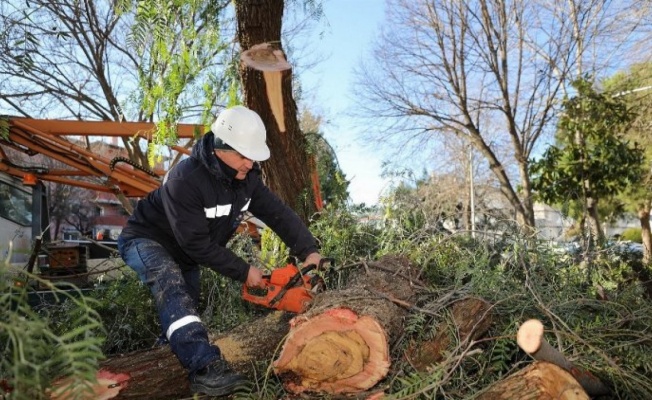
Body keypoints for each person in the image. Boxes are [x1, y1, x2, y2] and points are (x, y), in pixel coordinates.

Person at [117, 105, 322, 397]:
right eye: (243, 156)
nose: (250, 163)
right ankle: (204, 369)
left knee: (186, 308)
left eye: (253, 156)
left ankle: (163, 362)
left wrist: (309, 252)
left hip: (186, 252)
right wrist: (243, 270)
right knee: (170, 285)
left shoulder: (247, 179)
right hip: (146, 240)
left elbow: (278, 214)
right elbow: (196, 244)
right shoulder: (185, 180)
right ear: (220, 147)